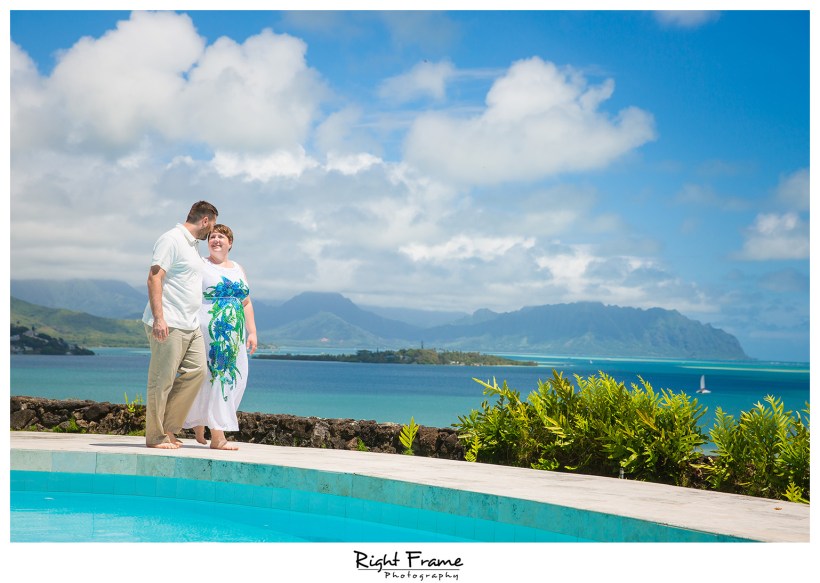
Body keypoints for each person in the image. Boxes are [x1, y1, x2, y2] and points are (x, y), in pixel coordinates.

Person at [142, 201, 218, 449]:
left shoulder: (193, 246)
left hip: (190, 324)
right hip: (169, 322)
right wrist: (159, 318)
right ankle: (155, 436)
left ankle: (168, 428)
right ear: (205, 220)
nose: (212, 231)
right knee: (161, 380)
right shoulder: (171, 239)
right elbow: (154, 277)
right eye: (213, 224)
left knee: (198, 372)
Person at [183, 224, 257, 450]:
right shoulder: (201, 264)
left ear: (230, 243)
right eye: (212, 237)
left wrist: (252, 332)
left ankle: (199, 422)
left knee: (236, 378)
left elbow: (246, 302)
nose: (216, 239)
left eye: (221, 236)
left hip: (235, 335)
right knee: (218, 377)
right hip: (211, 330)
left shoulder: (238, 268)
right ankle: (217, 436)